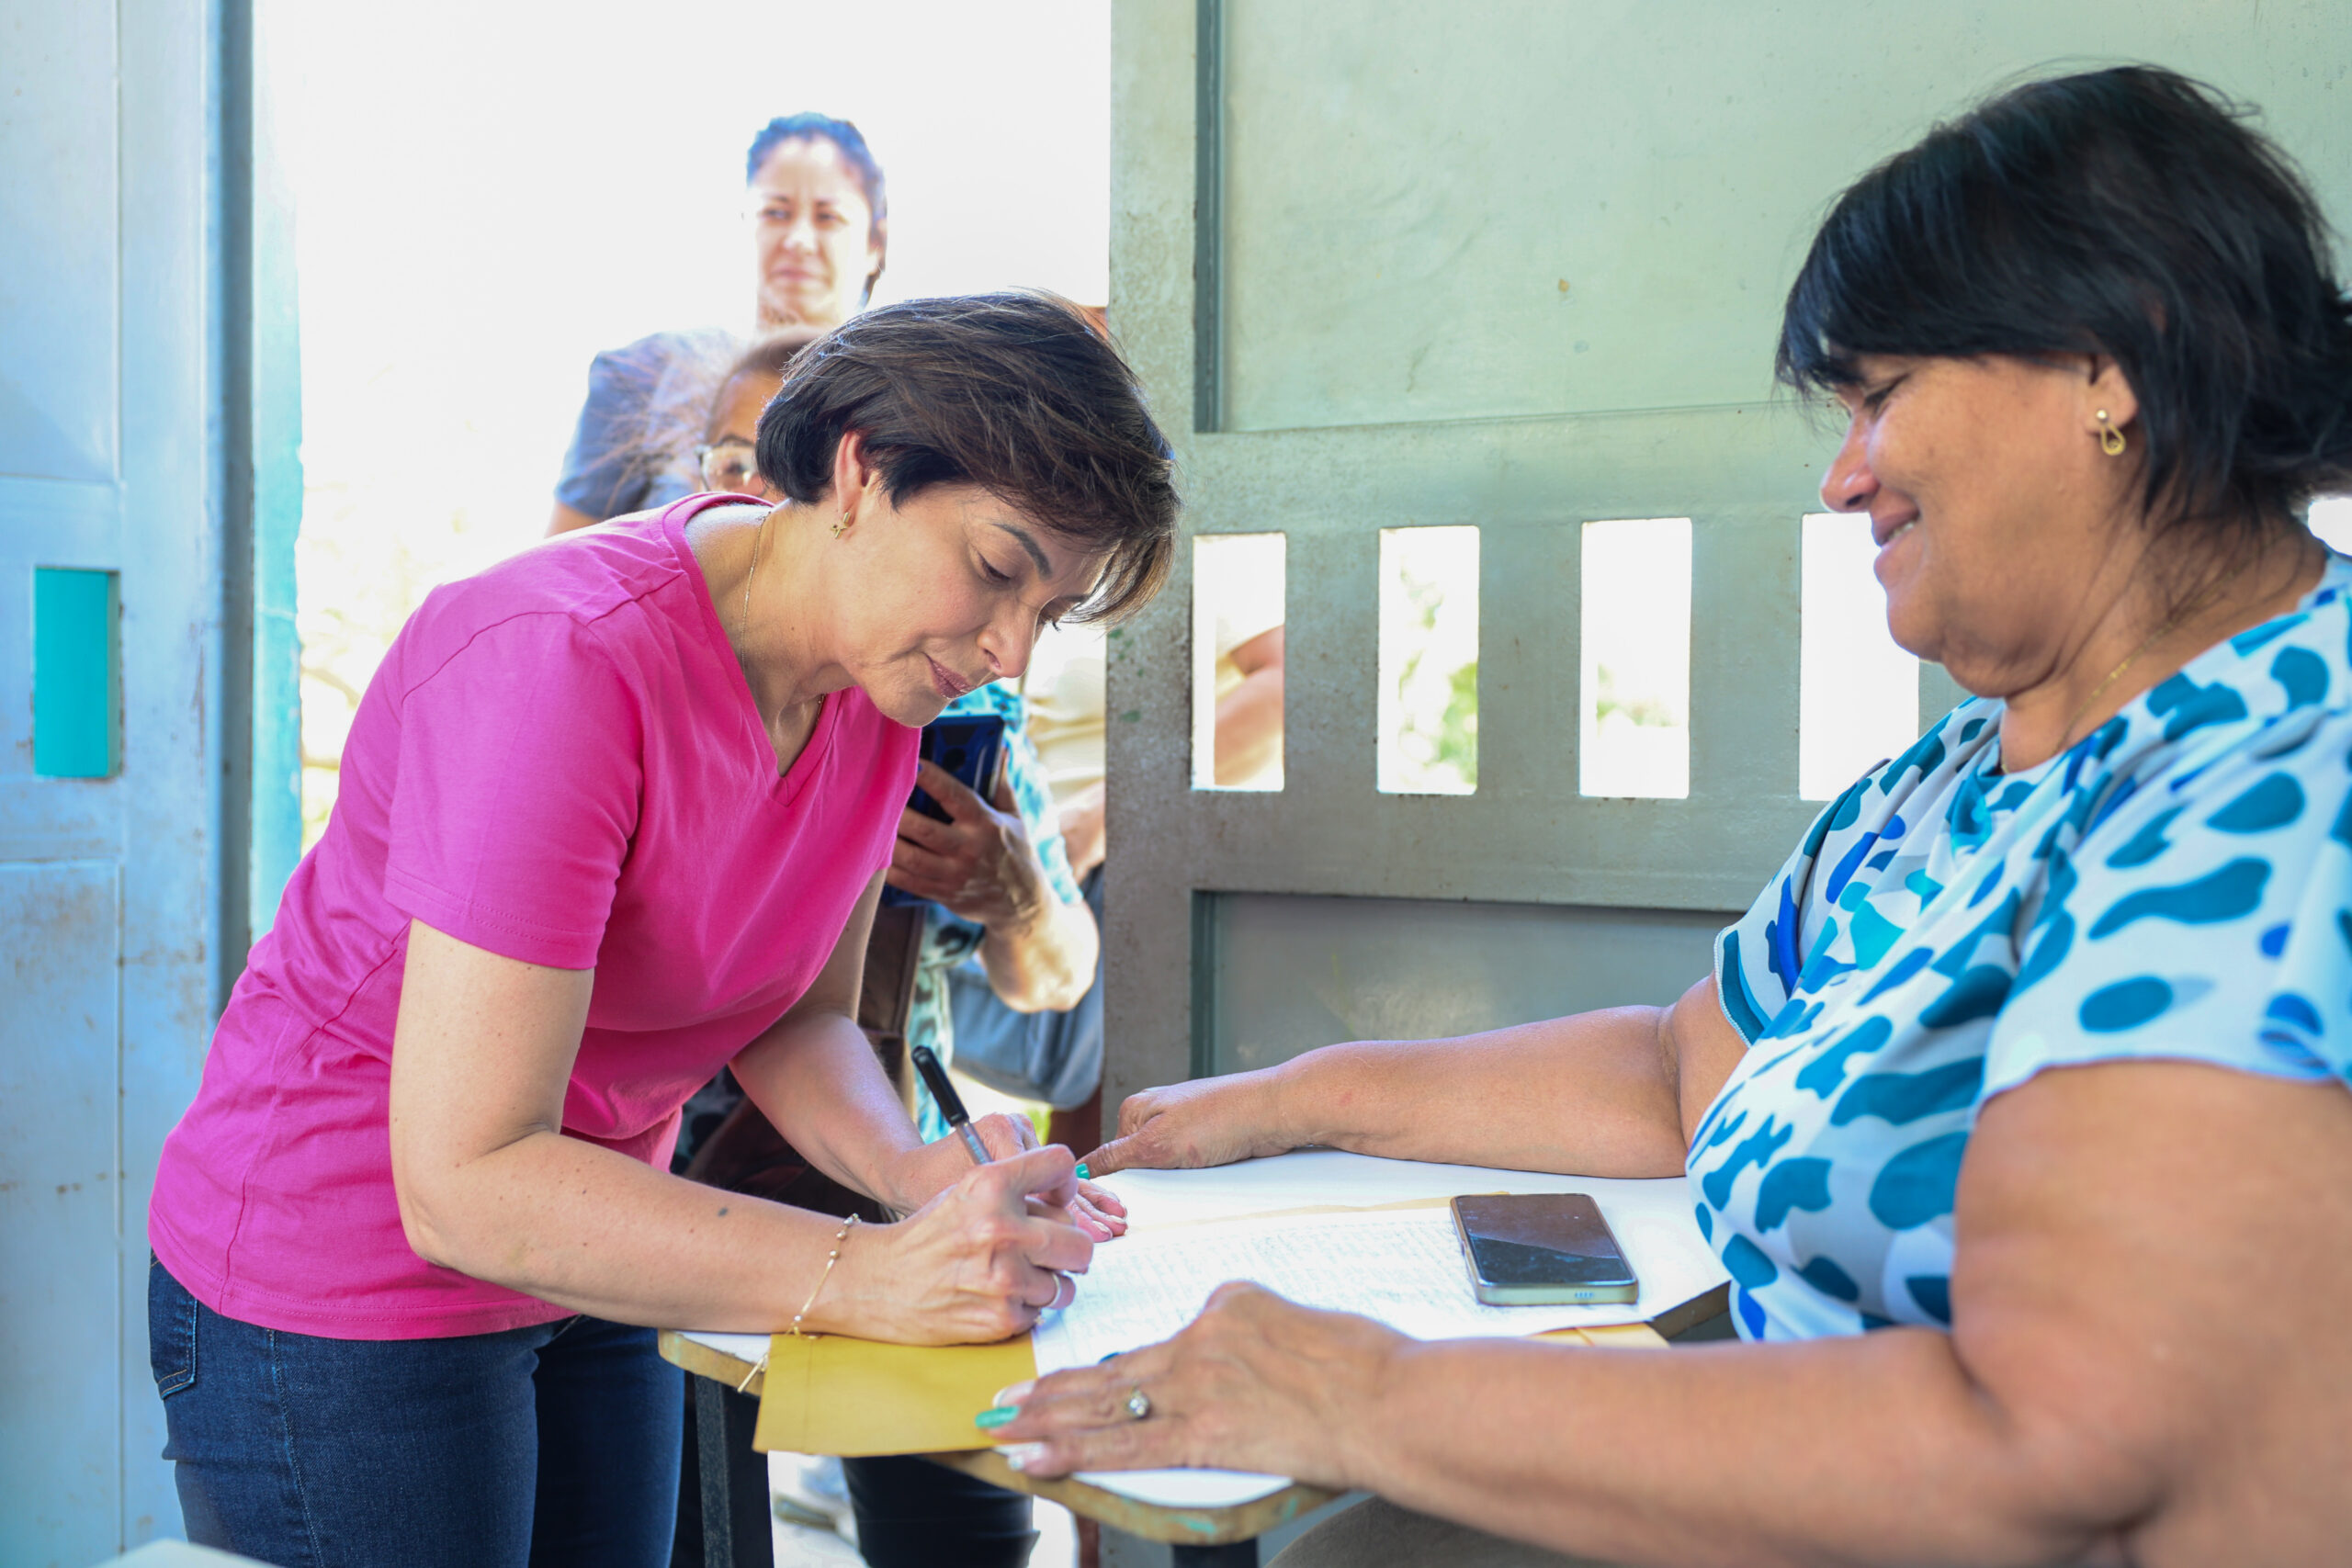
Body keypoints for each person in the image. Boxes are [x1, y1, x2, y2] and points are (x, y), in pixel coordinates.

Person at [990, 68, 2352, 1566]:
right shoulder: (1958, 778)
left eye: (1880, 396)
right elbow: (1671, 1072)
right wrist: (1297, 1095)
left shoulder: (2284, 775)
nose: (1845, 479)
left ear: (2112, 365)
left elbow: (2050, 1441)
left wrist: (1358, 1392)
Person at [146, 292, 1177, 1568]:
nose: (1011, 649)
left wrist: (919, 1174)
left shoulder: (879, 680)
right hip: (350, 1270)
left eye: (1051, 609)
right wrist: (870, 1272)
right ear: (860, 467)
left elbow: (799, 1015)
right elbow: (464, 1179)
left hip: (600, 1241)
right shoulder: (560, 662)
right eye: (997, 568)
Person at [547, 112, 888, 535]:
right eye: (775, 212)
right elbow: (562, 567)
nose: (798, 238)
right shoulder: (645, 376)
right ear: (747, 221)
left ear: (876, 243)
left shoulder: (899, 412)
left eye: (828, 217)